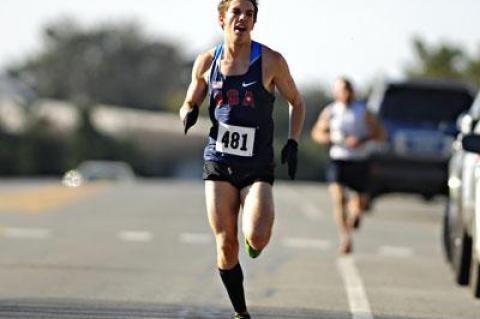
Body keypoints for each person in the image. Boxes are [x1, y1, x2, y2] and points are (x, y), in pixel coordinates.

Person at [179, 0, 305, 318]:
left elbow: (297, 102)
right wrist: (188, 112)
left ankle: (254, 241)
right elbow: (189, 99)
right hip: (218, 160)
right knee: (225, 243)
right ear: (222, 17)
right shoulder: (207, 61)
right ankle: (241, 312)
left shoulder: (270, 61)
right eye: (236, 12)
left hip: (257, 164)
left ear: (254, 22)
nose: (243, 19)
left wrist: (293, 141)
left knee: (258, 235)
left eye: (249, 14)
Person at [311, 77, 385, 255]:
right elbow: (317, 133)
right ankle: (345, 238)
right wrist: (331, 138)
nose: (345, 94)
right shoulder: (331, 111)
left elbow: (380, 134)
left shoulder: (363, 111)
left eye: (348, 90)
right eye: (342, 90)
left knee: (359, 203)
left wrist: (361, 140)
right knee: (337, 198)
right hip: (339, 159)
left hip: (360, 159)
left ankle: (356, 214)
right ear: (336, 92)